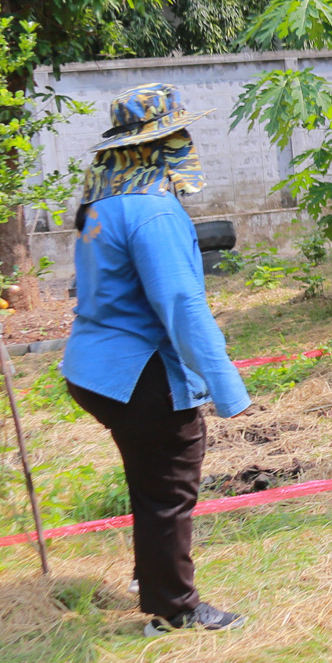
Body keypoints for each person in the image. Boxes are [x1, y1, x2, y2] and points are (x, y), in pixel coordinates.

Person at [62, 84, 252, 635]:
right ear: (162, 144)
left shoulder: (101, 204)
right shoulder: (152, 210)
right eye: (179, 135)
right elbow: (181, 304)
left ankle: (153, 578)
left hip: (93, 367)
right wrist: (227, 387)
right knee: (170, 482)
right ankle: (174, 610)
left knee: (150, 480)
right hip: (137, 372)